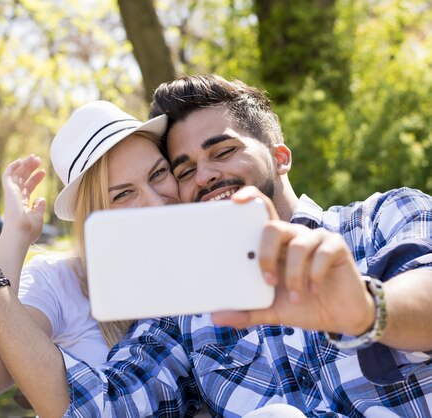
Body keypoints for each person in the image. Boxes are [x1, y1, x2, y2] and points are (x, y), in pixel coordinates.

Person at [54, 74, 432, 416]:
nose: (205, 176)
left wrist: (365, 310)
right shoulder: (183, 306)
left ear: (279, 157)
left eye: (223, 152)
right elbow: (104, 405)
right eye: (184, 170)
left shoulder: (382, 216)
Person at [0, 101, 180, 415]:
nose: (154, 203)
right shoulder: (62, 281)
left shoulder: (213, 261)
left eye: (158, 173)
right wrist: (12, 237)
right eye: (122, 194)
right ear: (92, 212)